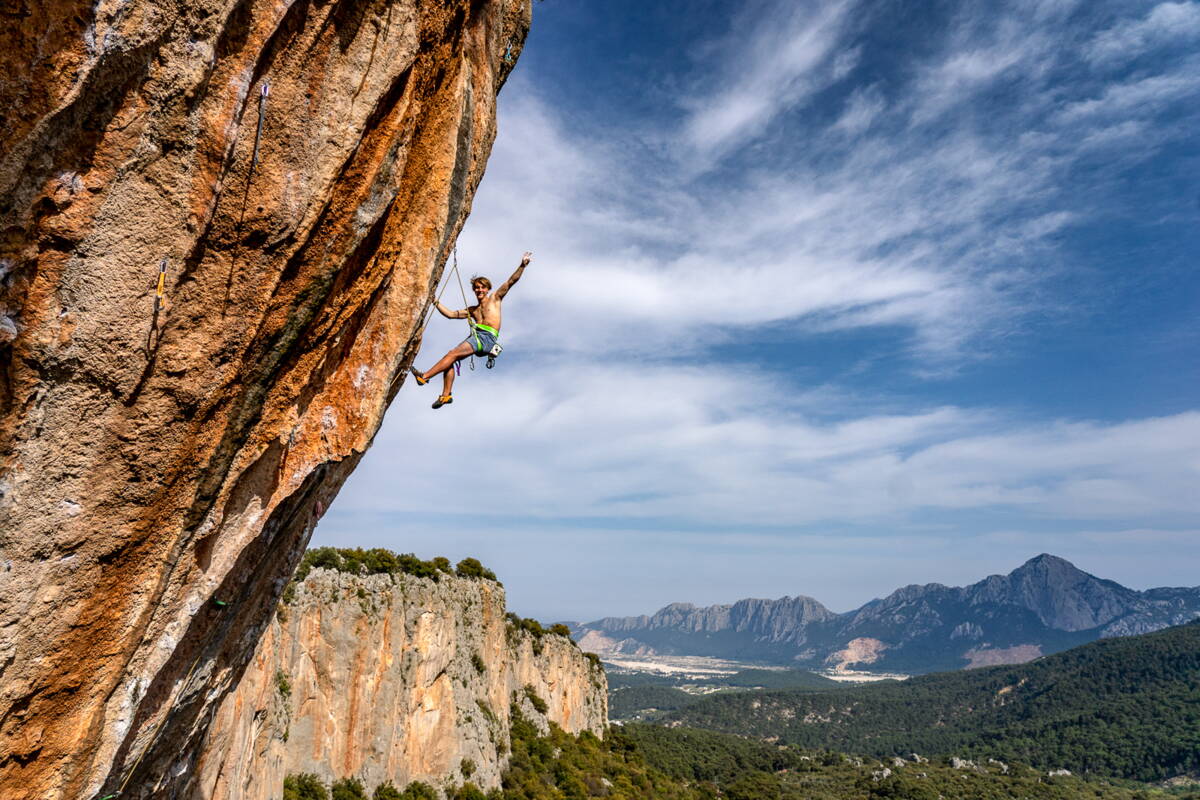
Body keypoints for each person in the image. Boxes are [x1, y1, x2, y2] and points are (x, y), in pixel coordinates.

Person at [409, 251, 532, 408]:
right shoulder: (473, 310)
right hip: (478, 338)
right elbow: (451, 314)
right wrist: (434, 301)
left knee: (451, 354)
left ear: (487, 289)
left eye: (482, 288)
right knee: (449, 361)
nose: (479, 290)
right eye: (476, 288)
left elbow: (511, 281)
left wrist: (522, 265)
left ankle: (425, 377)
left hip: (486, 338)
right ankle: (446, 396)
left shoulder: (495, 299)